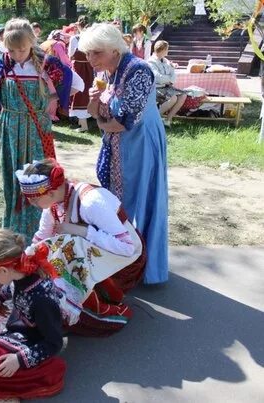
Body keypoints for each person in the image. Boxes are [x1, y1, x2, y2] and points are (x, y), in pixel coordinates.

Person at [18, 159, 146, 335]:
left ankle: (91, 306)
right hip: (98, 254)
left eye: (34, 199)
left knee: (68, 248)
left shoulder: (90, 202)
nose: (31, 204)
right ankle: (67, 301)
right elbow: (40, 240)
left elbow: (127, 247)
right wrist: (18, 266)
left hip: (128, 261)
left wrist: (81, 231)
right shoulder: (55, 204)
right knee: (52, 252)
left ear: (51, 191)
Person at [82, 23, 168, 284]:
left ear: (114, 50)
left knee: (135, 199)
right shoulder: (109, 72)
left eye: (95, 53)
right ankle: (121, 262)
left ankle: (140, 268)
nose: (90, 59)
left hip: (140, 141)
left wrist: (103, 123)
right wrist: (96, 100)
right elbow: (94, 113)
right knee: (116, 202)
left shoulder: (139, 70)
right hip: (118, 142)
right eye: (87, 53)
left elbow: (124, 121)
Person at [0, 18, 74, 243]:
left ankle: (40, 231)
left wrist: (52, 98)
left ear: (32, 42)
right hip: (11, 127)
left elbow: (75, 83)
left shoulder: (46, 63)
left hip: (35, 128)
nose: (16, 54)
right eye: (12, 50)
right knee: (13, 177)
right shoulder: (4, 62)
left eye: (21, 49)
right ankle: (14, 229)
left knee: (37, 177)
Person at [0, 229, 66, 403]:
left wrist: (19, 360)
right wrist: (0, 298)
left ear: (4, 270)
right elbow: (13, 286)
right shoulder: (22, 273)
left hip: (31, 343)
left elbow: (54, 342)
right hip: (18, 334)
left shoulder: (41, 301)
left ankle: (42, 372)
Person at [148, 40, 187, 127]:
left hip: (166, 87)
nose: (167, 51)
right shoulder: (151, 62)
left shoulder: (165, 60)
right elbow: (158, 78)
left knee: (183, 95)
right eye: (167, 49)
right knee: (173, 98)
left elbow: (173, 74)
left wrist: (169, 79)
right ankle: (153, 118)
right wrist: (169, 79)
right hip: (156, 89)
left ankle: (168, 120)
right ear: (162, 50)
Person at [68, 16, 93, 132]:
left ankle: (84, 126)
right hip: (89, 67)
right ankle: (82, 122)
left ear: (79, 25)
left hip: (78, 67)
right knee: (87, 90)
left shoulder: (75, 38)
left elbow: (70, 54)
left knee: (78, 92)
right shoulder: (91, 38)